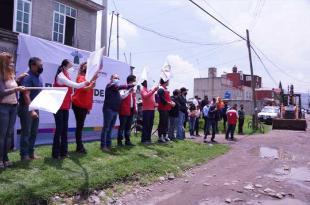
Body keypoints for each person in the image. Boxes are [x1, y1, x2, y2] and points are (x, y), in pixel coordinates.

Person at [52, 59, 93, 159]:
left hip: (65, 106)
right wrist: (88, 82)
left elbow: (71, 90)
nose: (72, 68)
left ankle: (64, 152)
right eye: (70, 66)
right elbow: (76, 85)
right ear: (64, 66)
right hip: (58, 106)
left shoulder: (67, 75)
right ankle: (56, 153)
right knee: (59, 130)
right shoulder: (60, 76)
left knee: (64, 130)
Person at [0, 52, 25, 168]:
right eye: (10, 62)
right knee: (2, 135)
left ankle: (5, 158)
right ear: (4, 63)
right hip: (3, 107)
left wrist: (19, 79)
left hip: (13, 107)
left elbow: (12, 85)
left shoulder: (11, 74)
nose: (12, 64)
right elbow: (1, 93)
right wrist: (16, 89)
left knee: (9, 134)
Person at [18, 57, 43, 161]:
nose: (41, 67)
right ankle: (24, 155)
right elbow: (26, 95)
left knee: (34, 131)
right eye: (39, 65)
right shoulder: (27, 77)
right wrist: (31, 109)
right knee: (26, 131)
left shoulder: (38, 76)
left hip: (35, 107)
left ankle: (31, 153)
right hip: (26, 108)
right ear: (32, 65)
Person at [101, 74, 134, 151]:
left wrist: (129, 91)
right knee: (106, 128)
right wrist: (129, 86)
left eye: (118, 78)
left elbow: (121, 97)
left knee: (110, 128)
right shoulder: (110, 85)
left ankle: (108, 145)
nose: (117, 79)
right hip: (108, 110)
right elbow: (119, 87)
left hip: (115, 110)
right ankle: (103, 146)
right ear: (111, 79)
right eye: (115, 78)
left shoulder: (116, 89)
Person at [71, 62, 96, 154]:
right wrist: (90, 86)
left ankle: (79, 146)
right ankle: (79, 146)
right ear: (83, 68)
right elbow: (83, 89)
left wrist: (88, 107)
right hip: (78, 104)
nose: (88, 68)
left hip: (84, 105)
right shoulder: (80, 77)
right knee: (79, 126)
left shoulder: (88, 78)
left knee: (80, 126)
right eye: (86, 67)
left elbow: (89, 95)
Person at [118, 75, 137, 147]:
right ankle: (119, 141)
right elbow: (122, 96)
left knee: (128, 127)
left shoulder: (133, 90)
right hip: (124, 110)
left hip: (131, 110)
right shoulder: (124, 88)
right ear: (131, 81)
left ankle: (127, 141)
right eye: (134, 81)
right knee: (122, 126)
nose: (135, 82)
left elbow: (134, 100)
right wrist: (129, 91)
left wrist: (135, 108)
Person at [140, 80, 158, 144]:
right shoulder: (143, 89)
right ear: (144, 83)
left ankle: (148, 139)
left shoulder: (150, 90)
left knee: (150, 125)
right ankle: (144, 140)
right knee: (146, 125)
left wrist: (155, 104)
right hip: (146, 110)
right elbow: (145, 96)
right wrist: (153, 91)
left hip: (152, 109)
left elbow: (152, 99)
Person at [157, 78, 174, 143]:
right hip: (162, 108)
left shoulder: (165, 89)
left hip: (167, 108)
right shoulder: (161, 89)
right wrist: (169, 103)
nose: (168, 82)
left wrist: (171, 102)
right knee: (162, 123)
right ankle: (160, 137)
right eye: (168, 81)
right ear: (165, 81)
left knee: (166, 123)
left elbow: (168, 98)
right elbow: (162, 99)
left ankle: (165, 136)